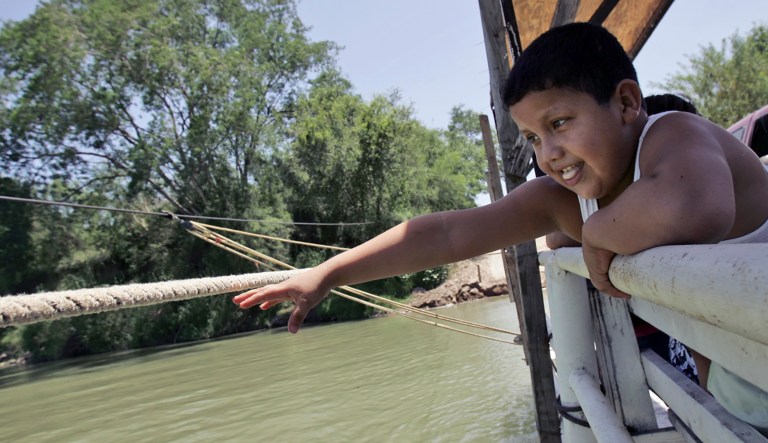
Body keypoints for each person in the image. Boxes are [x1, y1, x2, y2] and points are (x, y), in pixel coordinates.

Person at [234, 23, 768, 433]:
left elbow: (697, 205)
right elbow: (444, 235)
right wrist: (329, 272)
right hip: (731, 385)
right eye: (533, 137)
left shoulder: (674, 132)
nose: (549, 154)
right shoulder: (562, 201)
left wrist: (599, 236)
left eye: (559, 124)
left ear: (627, 103)